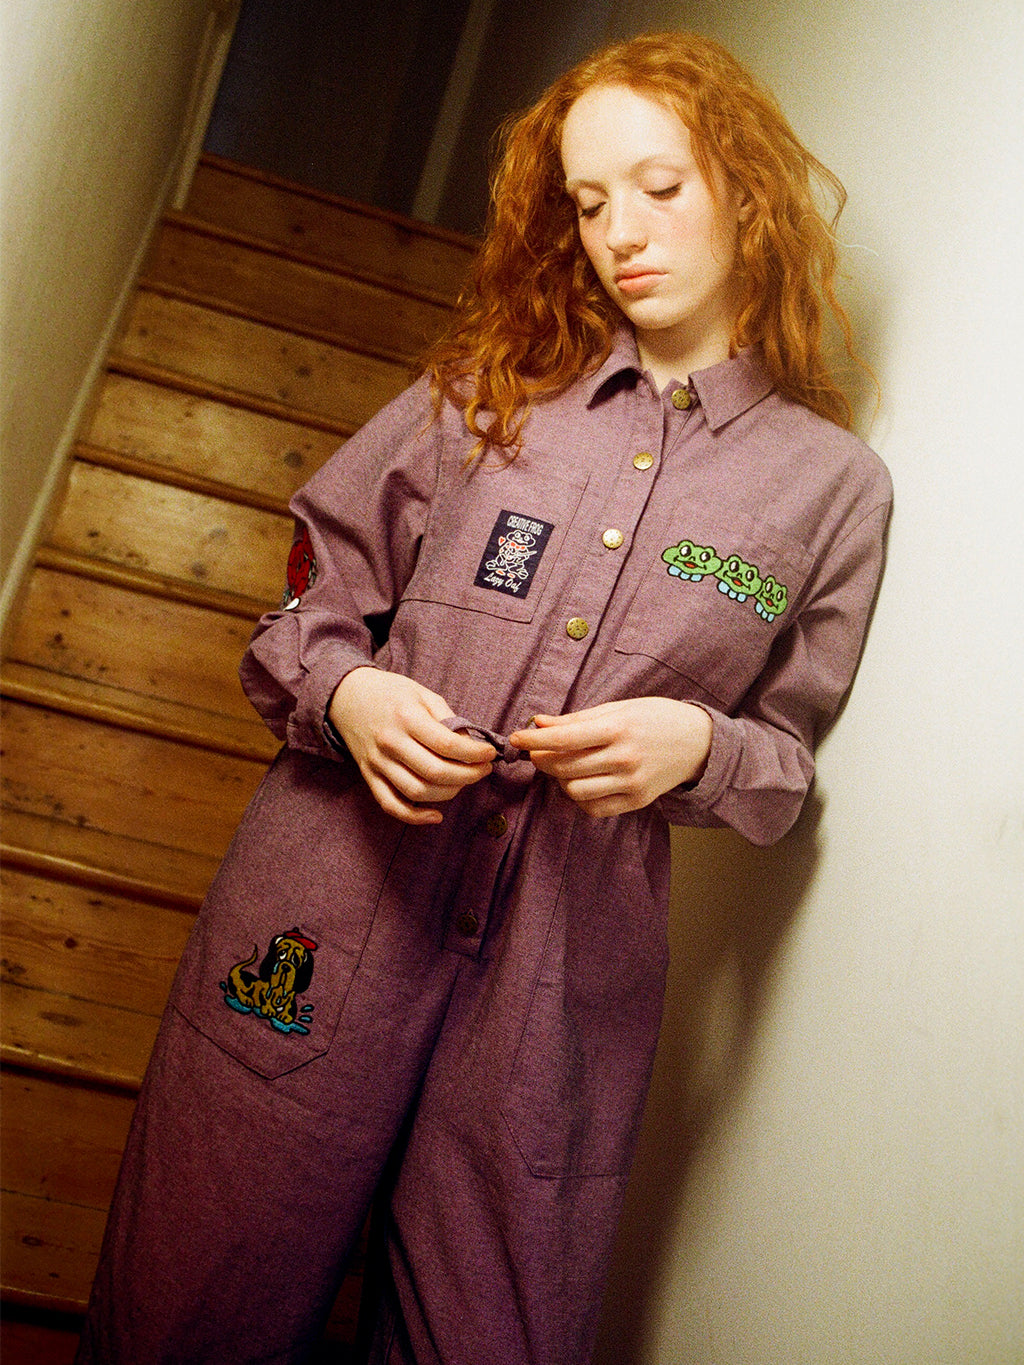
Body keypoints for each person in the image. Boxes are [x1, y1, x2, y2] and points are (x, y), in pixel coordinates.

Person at [77, 30, 891, 1365]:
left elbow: (785, 764)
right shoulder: (486, 389)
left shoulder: (833, 489)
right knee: (189, 1310)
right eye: (589, 203)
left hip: (562, 982)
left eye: (659, 187)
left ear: (747, 191)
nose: (621, 234)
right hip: (329, 905)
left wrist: (701, 745)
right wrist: (349, 696)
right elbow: (305, 610)